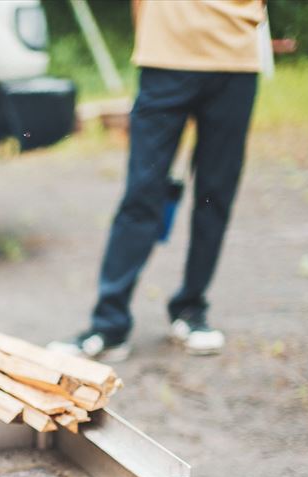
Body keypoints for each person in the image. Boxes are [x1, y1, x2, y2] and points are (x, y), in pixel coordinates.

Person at [54, 0, 265, 361]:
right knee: (141, 192)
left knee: (215, 194)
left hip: (235, 60)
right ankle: (109, 325)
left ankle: (191, 310)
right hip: (163, 57)